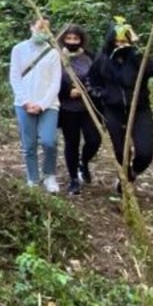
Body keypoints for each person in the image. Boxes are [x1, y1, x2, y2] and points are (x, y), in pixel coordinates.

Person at [88, 18, 153, 192]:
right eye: (117, 41)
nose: (120, 45)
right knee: (121, 152)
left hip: (139, 109)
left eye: (124, 41)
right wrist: (102, 94)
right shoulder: (102, 59)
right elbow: (92, 80)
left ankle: (133, 173)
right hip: (113, 110)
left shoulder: (136, 57)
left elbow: (152, 70)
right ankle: (124, 180)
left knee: (145, 153)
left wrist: (138, 48)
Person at [9, 15, 62, 192]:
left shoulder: (53, 53)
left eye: (46, 29)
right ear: (31, 27)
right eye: (40, 27)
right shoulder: (18, 49)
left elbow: (56, 82)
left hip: (48, 104)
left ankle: (50, 175)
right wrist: (25, 101)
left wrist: (42, 104)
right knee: (29, 144)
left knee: (49, 141)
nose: (42, 32)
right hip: (23, 103)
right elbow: (15, 76)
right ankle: (33, 177)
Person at [57, 24, 101, 195]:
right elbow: (52, 80)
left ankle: (84, 162)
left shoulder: (90, 57)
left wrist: (87, 89)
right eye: (69, 38)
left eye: (75, 39)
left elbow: (98, 77)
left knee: (94, 140)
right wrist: (68, 92)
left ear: (81, 40)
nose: (72, 41)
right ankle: (74, 178)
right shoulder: (57, 57)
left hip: (89, 107)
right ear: (63, 40)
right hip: (68, 108)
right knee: (71, 143)